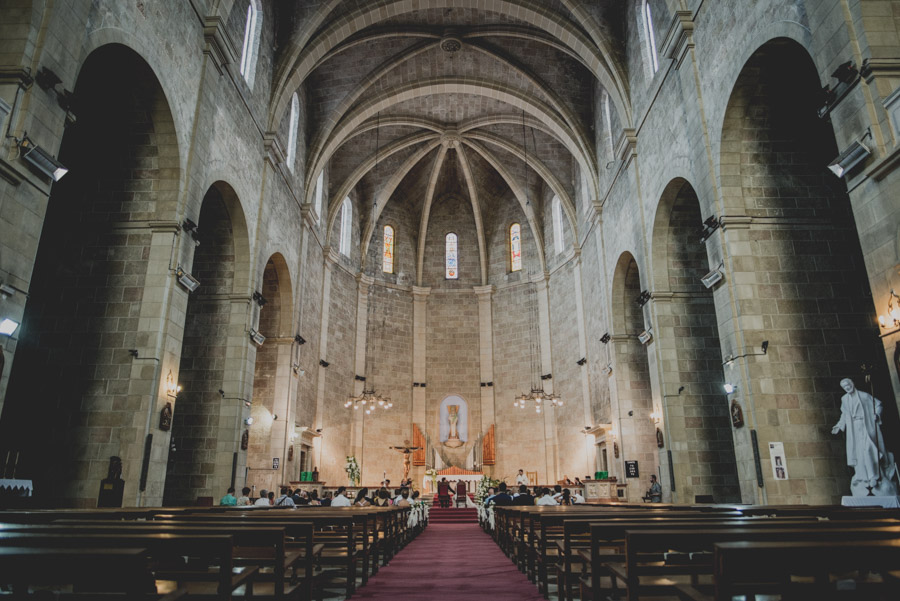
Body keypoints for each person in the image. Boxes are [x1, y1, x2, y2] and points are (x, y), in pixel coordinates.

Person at [832, 378, 899, 494]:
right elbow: (845, 414)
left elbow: (878, 405)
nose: (847, 387)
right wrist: (839, 425)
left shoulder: (864, 396)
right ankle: (863, 477)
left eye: (848, 384)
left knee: (869, 449)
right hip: (854, 429)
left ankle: (874, 476)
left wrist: (877, 415)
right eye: (844, 386)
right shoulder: (844, 399)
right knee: (859, 453)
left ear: (852, 383)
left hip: (866, 425)